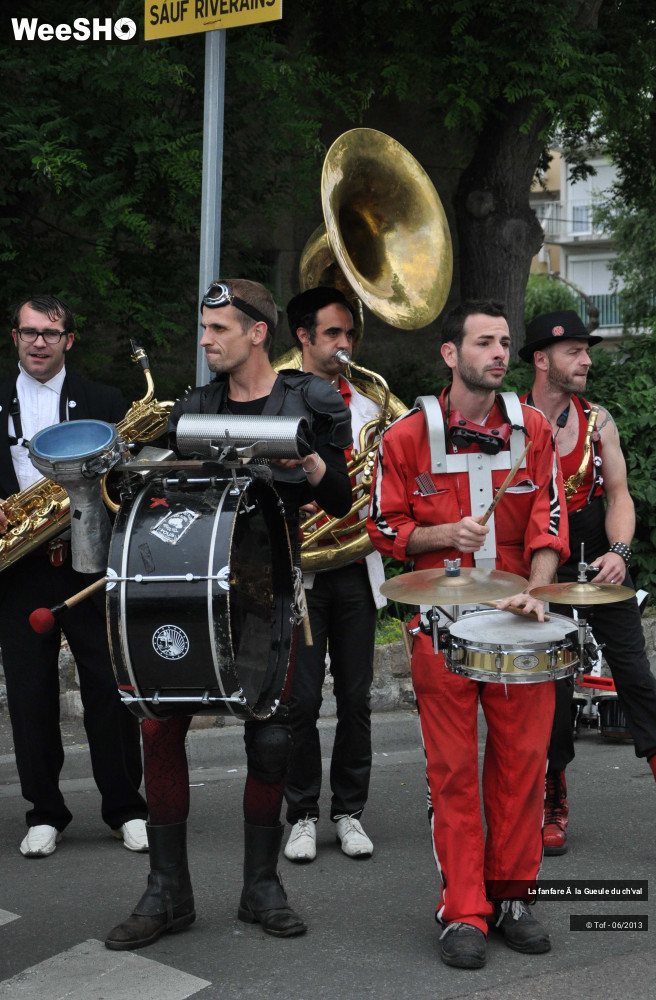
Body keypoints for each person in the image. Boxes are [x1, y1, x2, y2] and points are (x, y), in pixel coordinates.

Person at [105, 278, 352, 951]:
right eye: (204, 327)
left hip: (269, 594)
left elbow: (340, 498)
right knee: (160, 725)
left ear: (257, 333)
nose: (206, 340)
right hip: (190, 591)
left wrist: (307, 458)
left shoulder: (311, 399)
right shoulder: (195, 406)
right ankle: (167, 891)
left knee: (271, 737)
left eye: (218, 329)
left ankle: (261, 886)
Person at [367, 300, 569, 970]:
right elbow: (384, 528)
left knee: (523, 766)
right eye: (484, 342)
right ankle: (462, 909)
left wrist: (536, 590)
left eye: (504, 342)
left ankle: (513, 898)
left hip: (520, 622)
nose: (499, 353)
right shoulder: (405, 437)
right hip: (439, 625)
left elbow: (549, 521)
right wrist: (442, 535)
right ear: (451, 354)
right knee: (452, 772)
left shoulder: (532, 428)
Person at [0, 294, 148, 858]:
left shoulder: (105, 401)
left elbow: (128, 481)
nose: (39, 342)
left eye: (50, 333)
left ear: (69, 341)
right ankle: (44, 813)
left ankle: (125, 808)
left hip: (88, 563)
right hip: (19, 570)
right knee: (30, 696)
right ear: (15, 337)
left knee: (109, 689)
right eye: (29, 332)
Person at [520, 309, 656, 855]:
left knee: (637, 679)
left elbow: (620, 496)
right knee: (552, 692)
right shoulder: (511, 420)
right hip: (542, 566)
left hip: (598, 561)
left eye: (586, 352)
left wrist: (620, 552)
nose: (585, 361)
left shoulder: (599, 420)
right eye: (574, 352)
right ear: (542, 360)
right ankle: (552, 796)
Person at [282, 288, 384, 864]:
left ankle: (350, 812)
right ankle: (301, 813)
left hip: (355, 567)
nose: (345, 344)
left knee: (356, 699)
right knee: (299, 701)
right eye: (332, 334)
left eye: (350, 334)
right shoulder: (277, 396)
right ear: (303, 336)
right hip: (300, 569)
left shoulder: (370, 406)